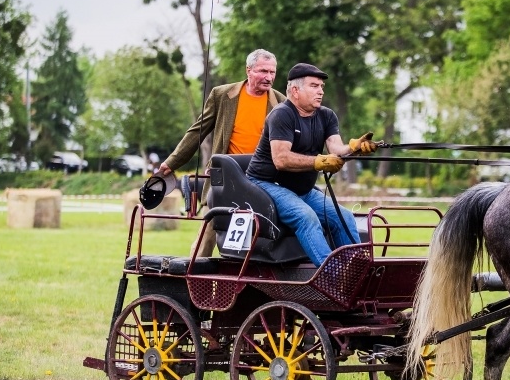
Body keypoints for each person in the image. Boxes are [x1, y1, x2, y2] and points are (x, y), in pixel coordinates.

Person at [245, 63, 377, 267]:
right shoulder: (282, 115)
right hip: (266, 185)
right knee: (307, 217)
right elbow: (281, 160)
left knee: (345, 217)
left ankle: (358, 274)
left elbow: (336, 149)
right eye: (314, 86)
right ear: (295, 91)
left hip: (301, 189)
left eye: (322, 87)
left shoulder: (326, 115)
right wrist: (319, 161)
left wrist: (355, 147)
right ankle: (332, 277)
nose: (321, 91)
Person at [158, 49, 287, 256]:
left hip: (264, 180)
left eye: (273, 72)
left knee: (261, 240)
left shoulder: (281, 102)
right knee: (207, 236)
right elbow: (196, 132)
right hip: (226, 179)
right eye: (263, 71)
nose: (269, 77)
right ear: (249, 70)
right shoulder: (222, 95)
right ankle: (193, 283)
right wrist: (172, 162)